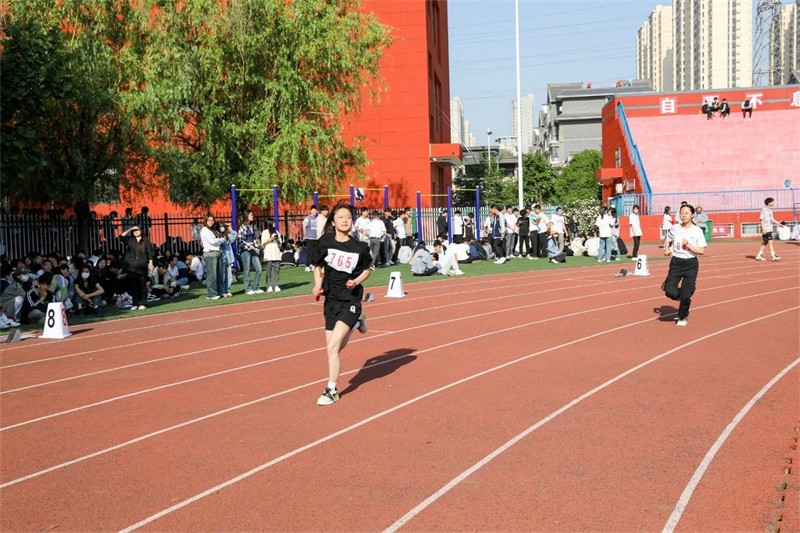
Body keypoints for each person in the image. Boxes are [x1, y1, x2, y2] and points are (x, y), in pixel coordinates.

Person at [310, 205, 372, 406]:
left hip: (350, 301)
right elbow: (318, 266)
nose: (345, 220)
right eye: (340, 217)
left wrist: (356, 281)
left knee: (332, 348)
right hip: (331, 301)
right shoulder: (325, 242)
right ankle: (357, 325)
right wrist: (318, 285)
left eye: (348, 217)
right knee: (334, 349)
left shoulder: (359, 247)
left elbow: (367, 269)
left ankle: (332, 389)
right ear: (333, 221)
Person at [663, 204, 707, 327]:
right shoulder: (675, 228)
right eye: (681, 213)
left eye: (686, 213)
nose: (683, 215)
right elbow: (668, 239)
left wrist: (689, 246)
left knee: (686, 294)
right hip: (676, 262)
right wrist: (666, 249)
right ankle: (682, 296)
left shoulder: (697, 231)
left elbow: (701, 251)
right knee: (669, 291)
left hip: (690, 264)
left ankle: (682, 317)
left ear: (692, 215)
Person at [120, 225, 155, 310]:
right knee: (134, 286)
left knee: (142, 285)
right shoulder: (130, 240)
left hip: (142, 266)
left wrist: (151, 263)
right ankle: (135, 303)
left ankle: (143, 303)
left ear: (141, 230)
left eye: (137, 230)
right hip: (131, 266)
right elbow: (121, 236)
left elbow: (149, 253)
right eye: (134, 230)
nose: (135, 232)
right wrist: (130, 228)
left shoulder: (145, 241)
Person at [200, 215, 226, 300]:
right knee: (212, 275)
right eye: (209, 220)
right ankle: (211, 294)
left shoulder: (212, 230)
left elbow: (216, 240)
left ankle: (218, 292)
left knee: (218, 275)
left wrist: (219, 240)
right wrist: (222, 240)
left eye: (212, 220)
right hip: (210, 253)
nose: (211, 222)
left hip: (216, 252)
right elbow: (212, 241)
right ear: (205, 221)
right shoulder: (204, 230)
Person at [237, 210, 263, 294]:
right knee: (247, 269)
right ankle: (248, 288)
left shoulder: (252, 226)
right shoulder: (242, 227)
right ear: (247, 216)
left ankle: (256, 287)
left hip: (253, 249)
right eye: (251, 214)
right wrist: (249, 247)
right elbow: (240, 241)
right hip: (245, 250)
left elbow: (254, 238)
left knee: (259, 269)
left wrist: (256, 246)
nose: (252, 216)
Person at [755, 197, 785, 262]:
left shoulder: (770, 211)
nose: (774, 203)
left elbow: (773, 219)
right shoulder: (764, 210)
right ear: (769, 203)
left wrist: (779, 224)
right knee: (770, 242)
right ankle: (773, 256)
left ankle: (759, 255)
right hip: (766, 229)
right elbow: (761, 220)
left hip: (769, 228)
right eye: (772, 202)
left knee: (765, 242)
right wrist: (763, 229)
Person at [261, 222, 282, 292]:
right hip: (268, 253)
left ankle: (276, 285)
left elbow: (280, 243)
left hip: (276, 253)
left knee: (276, 270)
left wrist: (277, 239)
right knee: (268, 271)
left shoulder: (277, 232)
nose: (274, 224)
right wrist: (271, 239)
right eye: (273, 222)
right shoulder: (265, 232)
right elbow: (263, 244)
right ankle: (269, 286)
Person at [303, 206, 320, 272]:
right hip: (309, 237)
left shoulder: (317, 218)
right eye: (313, 210)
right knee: (309, 252)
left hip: (316, 238)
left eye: (315, 210)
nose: (314, 211)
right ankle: (307, 265)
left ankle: (312, 264)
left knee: (314, 252)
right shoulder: (308, 218)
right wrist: (304, 235)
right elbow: (304, 225)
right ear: (310, 211)